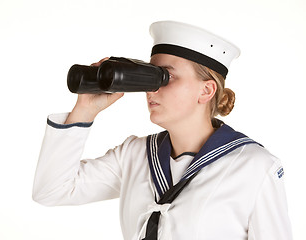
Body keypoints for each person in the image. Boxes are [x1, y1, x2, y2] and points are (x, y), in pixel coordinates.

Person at [33, 21, 293, 240]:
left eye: (165, 77)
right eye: (150, 77)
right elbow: (51, 191)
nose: (151, 89)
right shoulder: (135, 154)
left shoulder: (255, 167)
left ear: (206, 90)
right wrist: (85, 109)